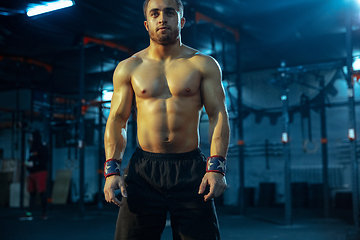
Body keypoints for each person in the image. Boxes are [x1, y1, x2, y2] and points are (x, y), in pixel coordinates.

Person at [103, 0, 230, 239]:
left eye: (170, 12)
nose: (162, 18)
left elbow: (218, 115)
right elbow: (117, 120)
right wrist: (112, 171)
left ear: (181, 21)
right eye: (155, 13)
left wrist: (217, 168)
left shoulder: (203, 64)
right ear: (146, 23)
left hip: (191, 171)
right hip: (143, 172)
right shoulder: (129, 67)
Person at [20, 130, 49, 221]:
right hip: (32, 173)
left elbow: (45, 160)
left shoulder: (42, 148)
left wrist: (35, 163)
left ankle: (44, 213)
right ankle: (29, 213)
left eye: (31, 137)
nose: (30, 139)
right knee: (32, 193)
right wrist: (28, 165)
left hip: (40, 172)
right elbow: (30, 159)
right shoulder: (32, 149)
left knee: (42, 192)